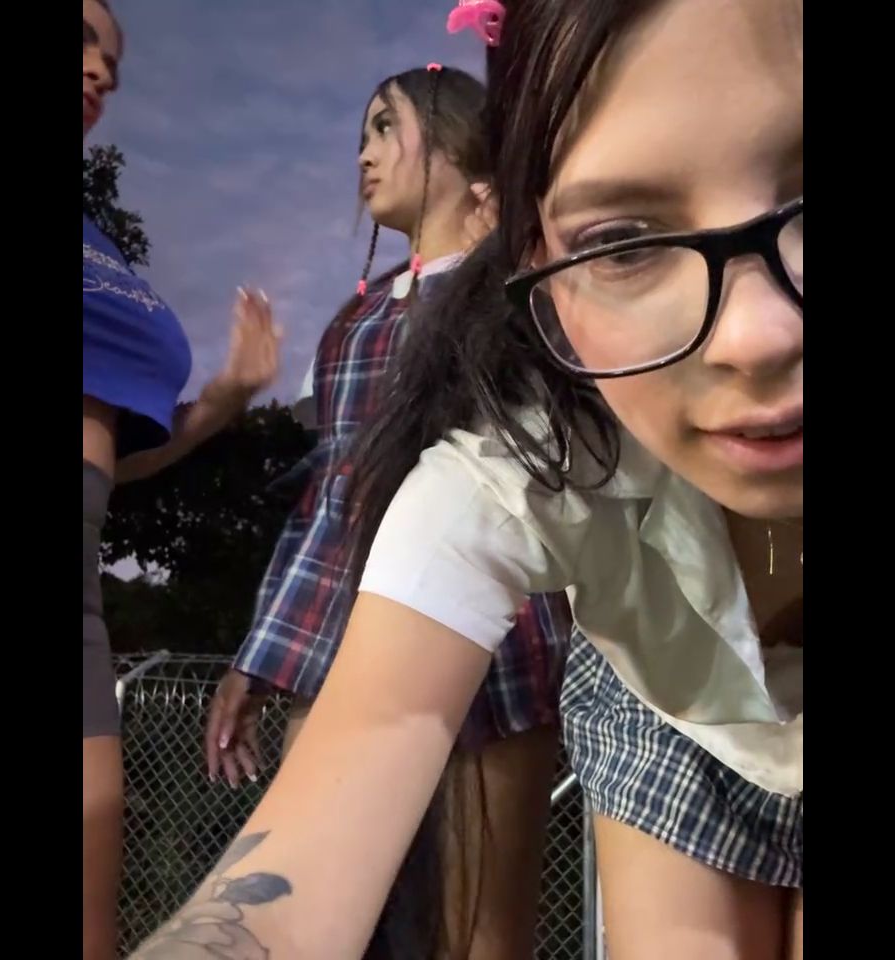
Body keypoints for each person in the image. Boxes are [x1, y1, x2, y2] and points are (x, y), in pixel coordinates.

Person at [131, 0, 803, 957]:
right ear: (542, 266)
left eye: (386, 127)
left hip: (519, 660)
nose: (759, 336)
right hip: (656, 700)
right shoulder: (507, 456)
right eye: (622, 243)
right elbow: (342, 524)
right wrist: (264, 650)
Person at [203, 65, 572, 959]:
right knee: (314, 917)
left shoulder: (527, 298)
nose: (363, 155)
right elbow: (327, 505)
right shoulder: (351, 325)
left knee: (480, 932)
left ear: (457, 148)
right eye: (360, 135)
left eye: (383, 127)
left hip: (497, 647)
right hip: (339, 651)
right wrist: (259, 656)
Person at [83, 3, 280, 958]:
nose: (103, 72)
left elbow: (113, 464)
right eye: (82, 41)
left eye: (114, 63)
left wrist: (229, 396)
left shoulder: (98, 238)